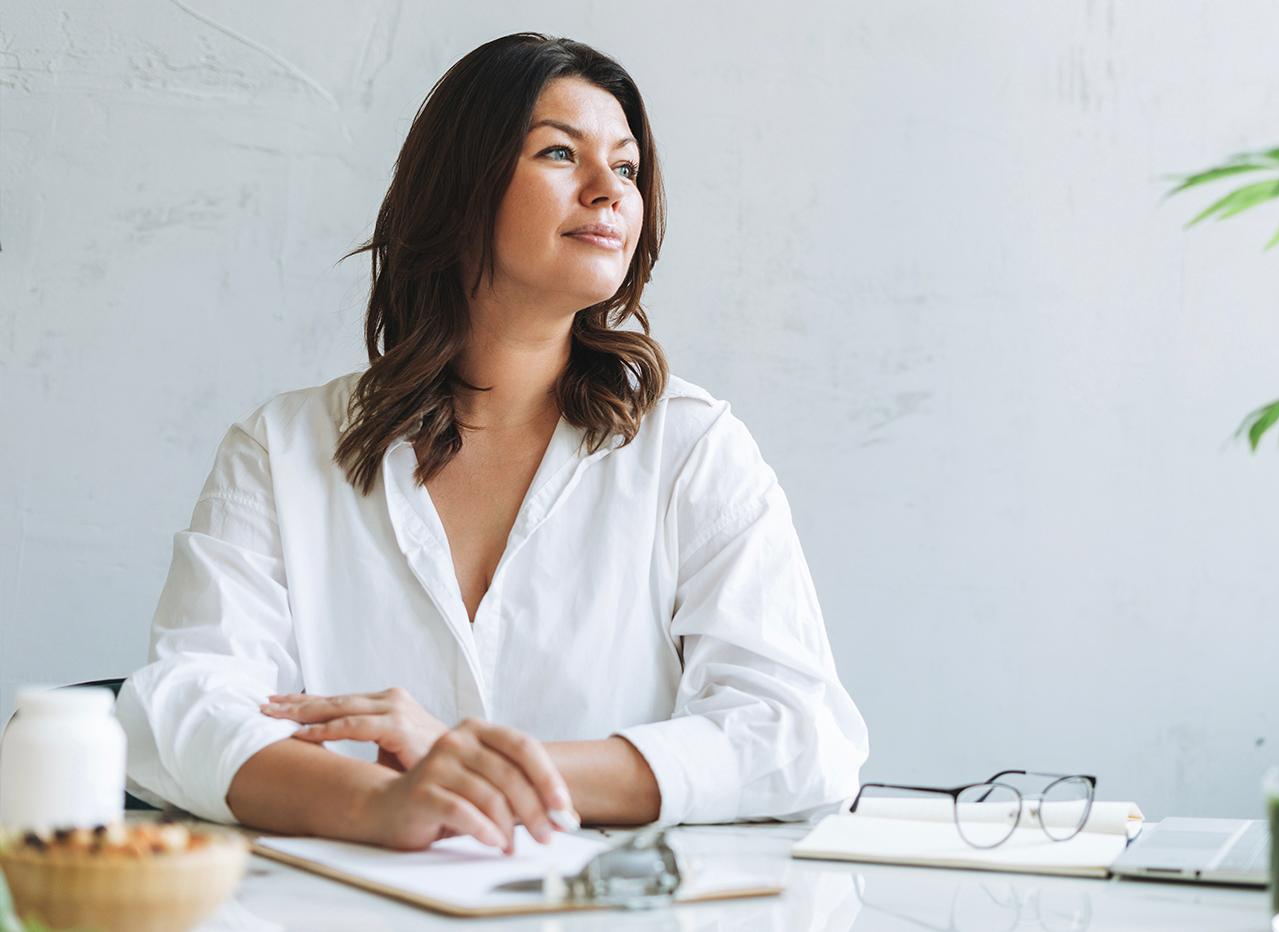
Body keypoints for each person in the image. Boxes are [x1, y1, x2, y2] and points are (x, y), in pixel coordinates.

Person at [115, 32, 868, 853]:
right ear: (460, 189)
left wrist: (467, 766)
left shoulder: (693, 449)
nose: (607, 191)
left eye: (625, 167)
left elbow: (799, 735)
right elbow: (178, 711)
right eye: (558, 153)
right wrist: (377, 804)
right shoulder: (283, 449)